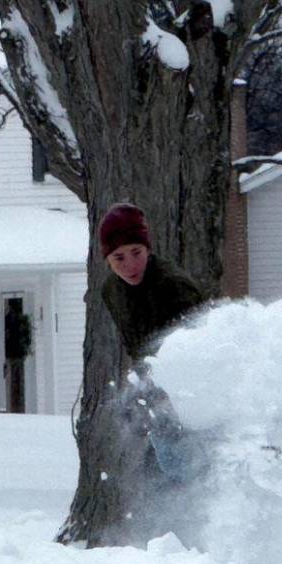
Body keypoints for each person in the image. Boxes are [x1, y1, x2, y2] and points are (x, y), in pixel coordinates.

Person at [98, 202, 208, 486]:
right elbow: (137, 346)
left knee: (196, 475)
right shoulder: (112, 291)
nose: (130, 265)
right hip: (157, 397)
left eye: (136, 252)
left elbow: (202, 349)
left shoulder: (174, 288)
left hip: (195, 399)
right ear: (108, 260)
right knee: (166, 473)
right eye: (119, 258)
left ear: (147, 248)